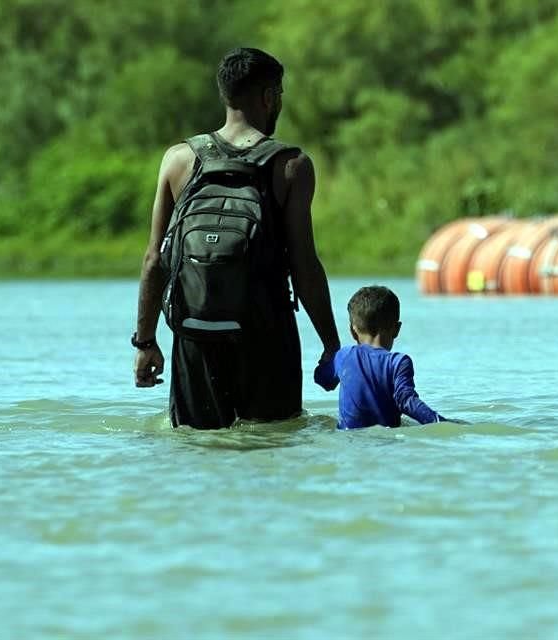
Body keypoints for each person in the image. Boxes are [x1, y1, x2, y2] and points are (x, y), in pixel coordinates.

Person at [132, 47, 341, 429]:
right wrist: (331, 345)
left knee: (198, 444)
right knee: (272, 438)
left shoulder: (178, 159)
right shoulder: (291, 166)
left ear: (225, 94)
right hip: (266, 334)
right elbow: (304, 264)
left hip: (195, 334)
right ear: (269, 97)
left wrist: (146, 343)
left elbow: (153, 260)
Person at [313, 285, 458, 429]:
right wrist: (442, 423)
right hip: (387, 442)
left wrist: (328, 356)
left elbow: (323, 380)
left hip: (349, 440)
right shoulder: (399, 362)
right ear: (396, 329)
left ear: (352, 331)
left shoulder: (344, 356)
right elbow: (406, 400)